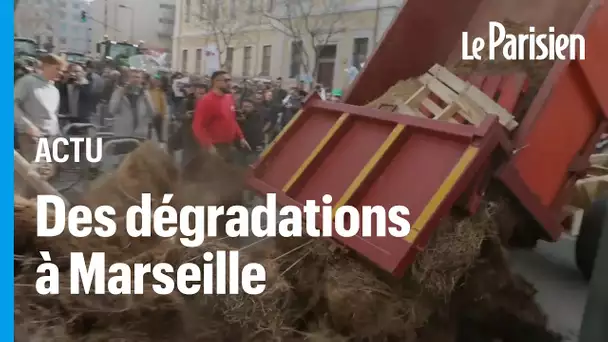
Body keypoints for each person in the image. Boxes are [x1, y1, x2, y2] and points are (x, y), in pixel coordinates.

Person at [14, 53, 66, 195]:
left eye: (62, 71)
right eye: (57, 69)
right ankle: (25, 208)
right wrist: (27, 126)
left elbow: (53, 115)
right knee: (35, 178)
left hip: (52, 137)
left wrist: (59, 136)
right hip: (32, 138)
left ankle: (40, 207)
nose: (60, 73)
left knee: (49, 176)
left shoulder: (54, 90)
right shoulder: (27, 82)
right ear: (46, 66)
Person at [192, 70, 250, 163]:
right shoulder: (206, 101)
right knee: (215, 176)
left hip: (228, 145)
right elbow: (198, 126)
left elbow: (232, 120)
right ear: (215, 82)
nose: (229, 83)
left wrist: (241, 137)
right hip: (214, 147)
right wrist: (209, 146)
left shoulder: (229, 98)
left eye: (230, 80)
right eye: (226, 81)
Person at [108, 69, 155, 138]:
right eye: (133, 77)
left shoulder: (145, 94)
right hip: (122, 134)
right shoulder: (119, 92)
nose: (135, 80)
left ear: (142, 80)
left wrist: (147, 99)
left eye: (138, 77)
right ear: (128, 79)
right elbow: (112, 110)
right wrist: (121, 94)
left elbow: (152, 114)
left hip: (140, 134)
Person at [148, 74, 169, 142]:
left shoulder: (160, 92)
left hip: (158, 115)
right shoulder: (146, 91)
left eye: (156, 81)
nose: (154, 82)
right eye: (152, 81)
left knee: (159, 131)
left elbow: (163, 103)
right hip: (149, 114)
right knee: (149, 130)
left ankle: (160, 142)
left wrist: (164, 114)